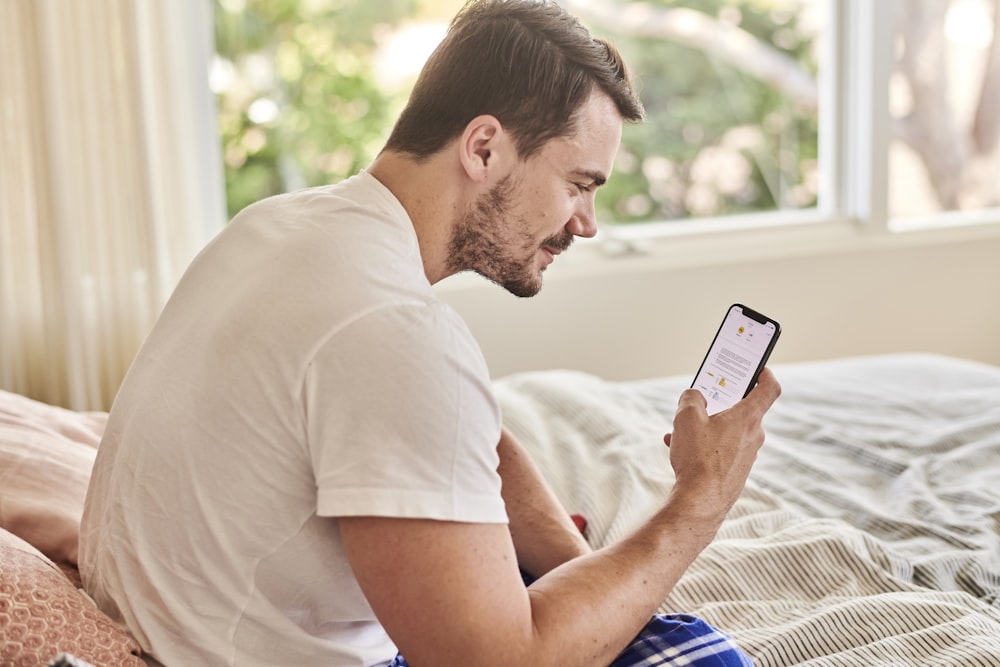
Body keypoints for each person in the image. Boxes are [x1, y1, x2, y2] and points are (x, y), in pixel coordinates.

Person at [80, 1, 782, 665]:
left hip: (182, 632)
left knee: (626, 607)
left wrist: (583, 569)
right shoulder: (392, 331)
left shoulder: (276, 227)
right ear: (483, 147)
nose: (586, 221)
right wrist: (701, 498)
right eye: (578, 183)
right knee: (693, 650)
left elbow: (475, 439)